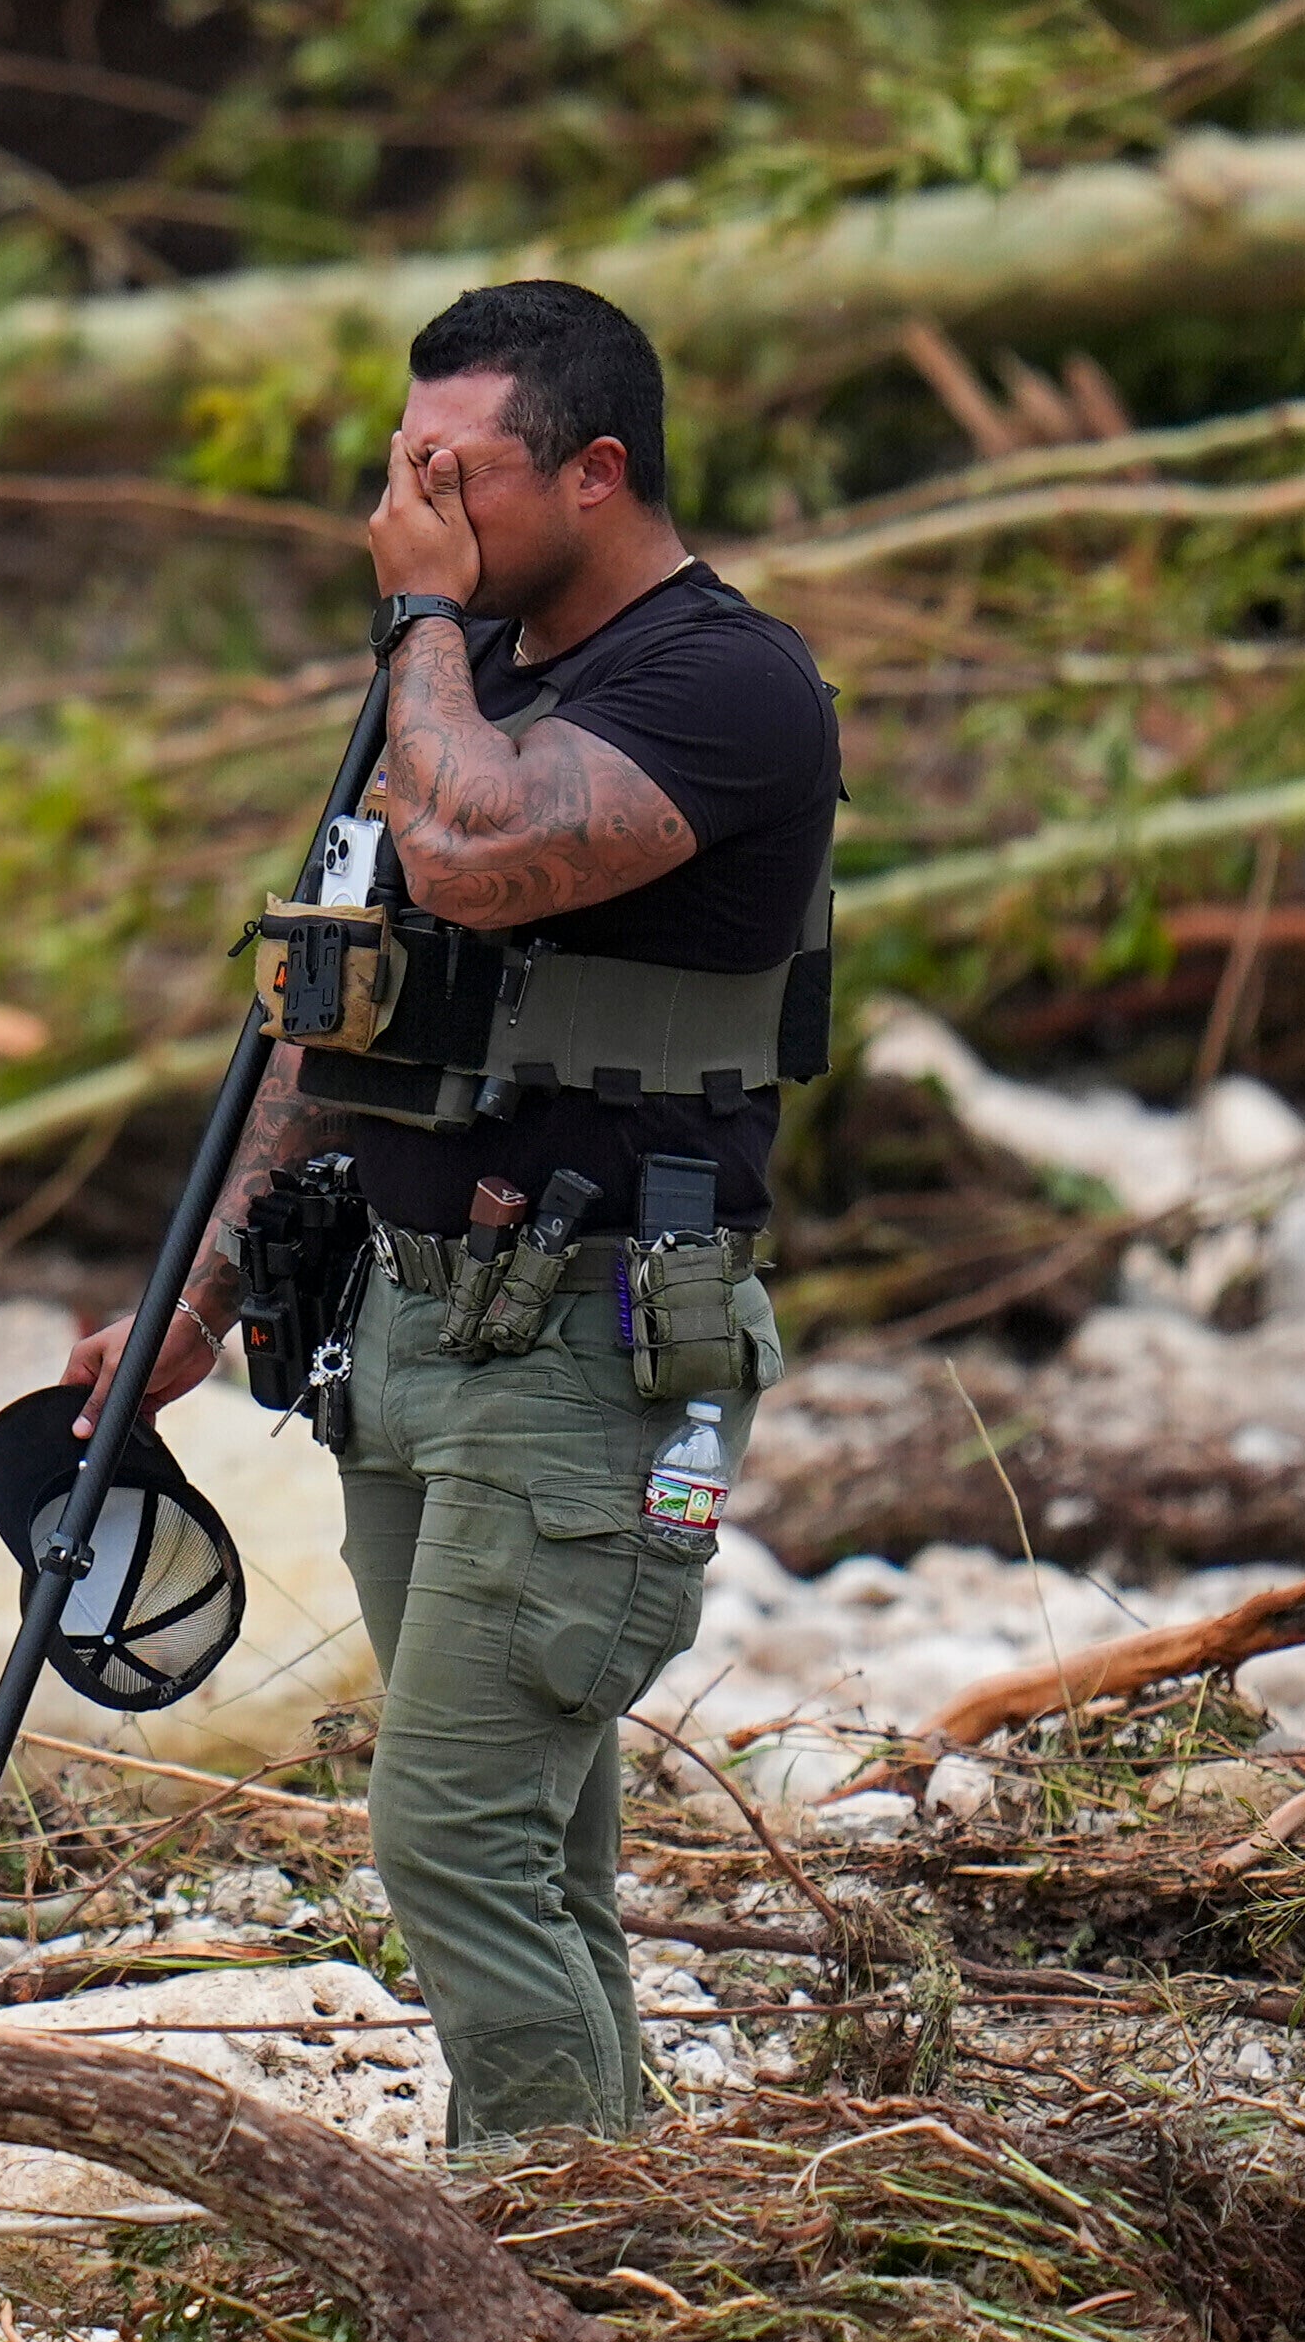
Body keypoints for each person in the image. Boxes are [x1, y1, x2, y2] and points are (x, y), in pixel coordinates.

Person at [65, 279, 841, 2145]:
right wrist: (208, 1282)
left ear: (592, 471)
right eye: (396, 471)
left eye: (451, 474)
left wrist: (417, 620)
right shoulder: (461, 684)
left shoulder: (722, 683)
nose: (406, 515)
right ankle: (628, 2253)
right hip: (412, 1329)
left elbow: (481, 861)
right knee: (535, 1842)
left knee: (451, 1830)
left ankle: (538, 2259)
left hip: (595, 1349)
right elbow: (329, 1012)